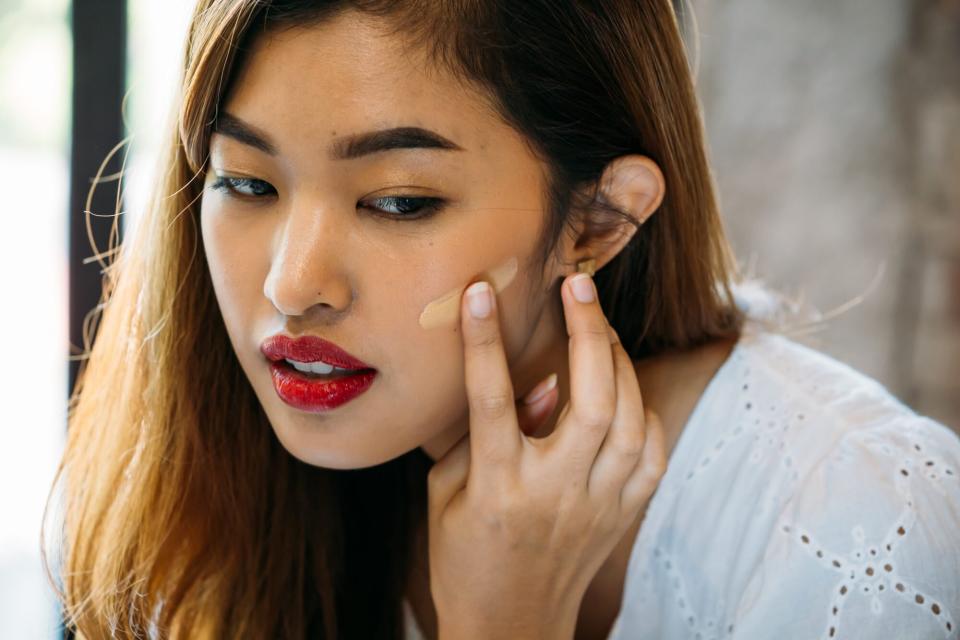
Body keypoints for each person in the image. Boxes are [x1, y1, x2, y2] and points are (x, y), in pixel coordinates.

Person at [44, 1, 960, 638]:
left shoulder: (858, 526)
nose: (292, 285)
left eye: (399, 202)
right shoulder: (236, 498)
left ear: (595, 223)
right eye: (246, 182)